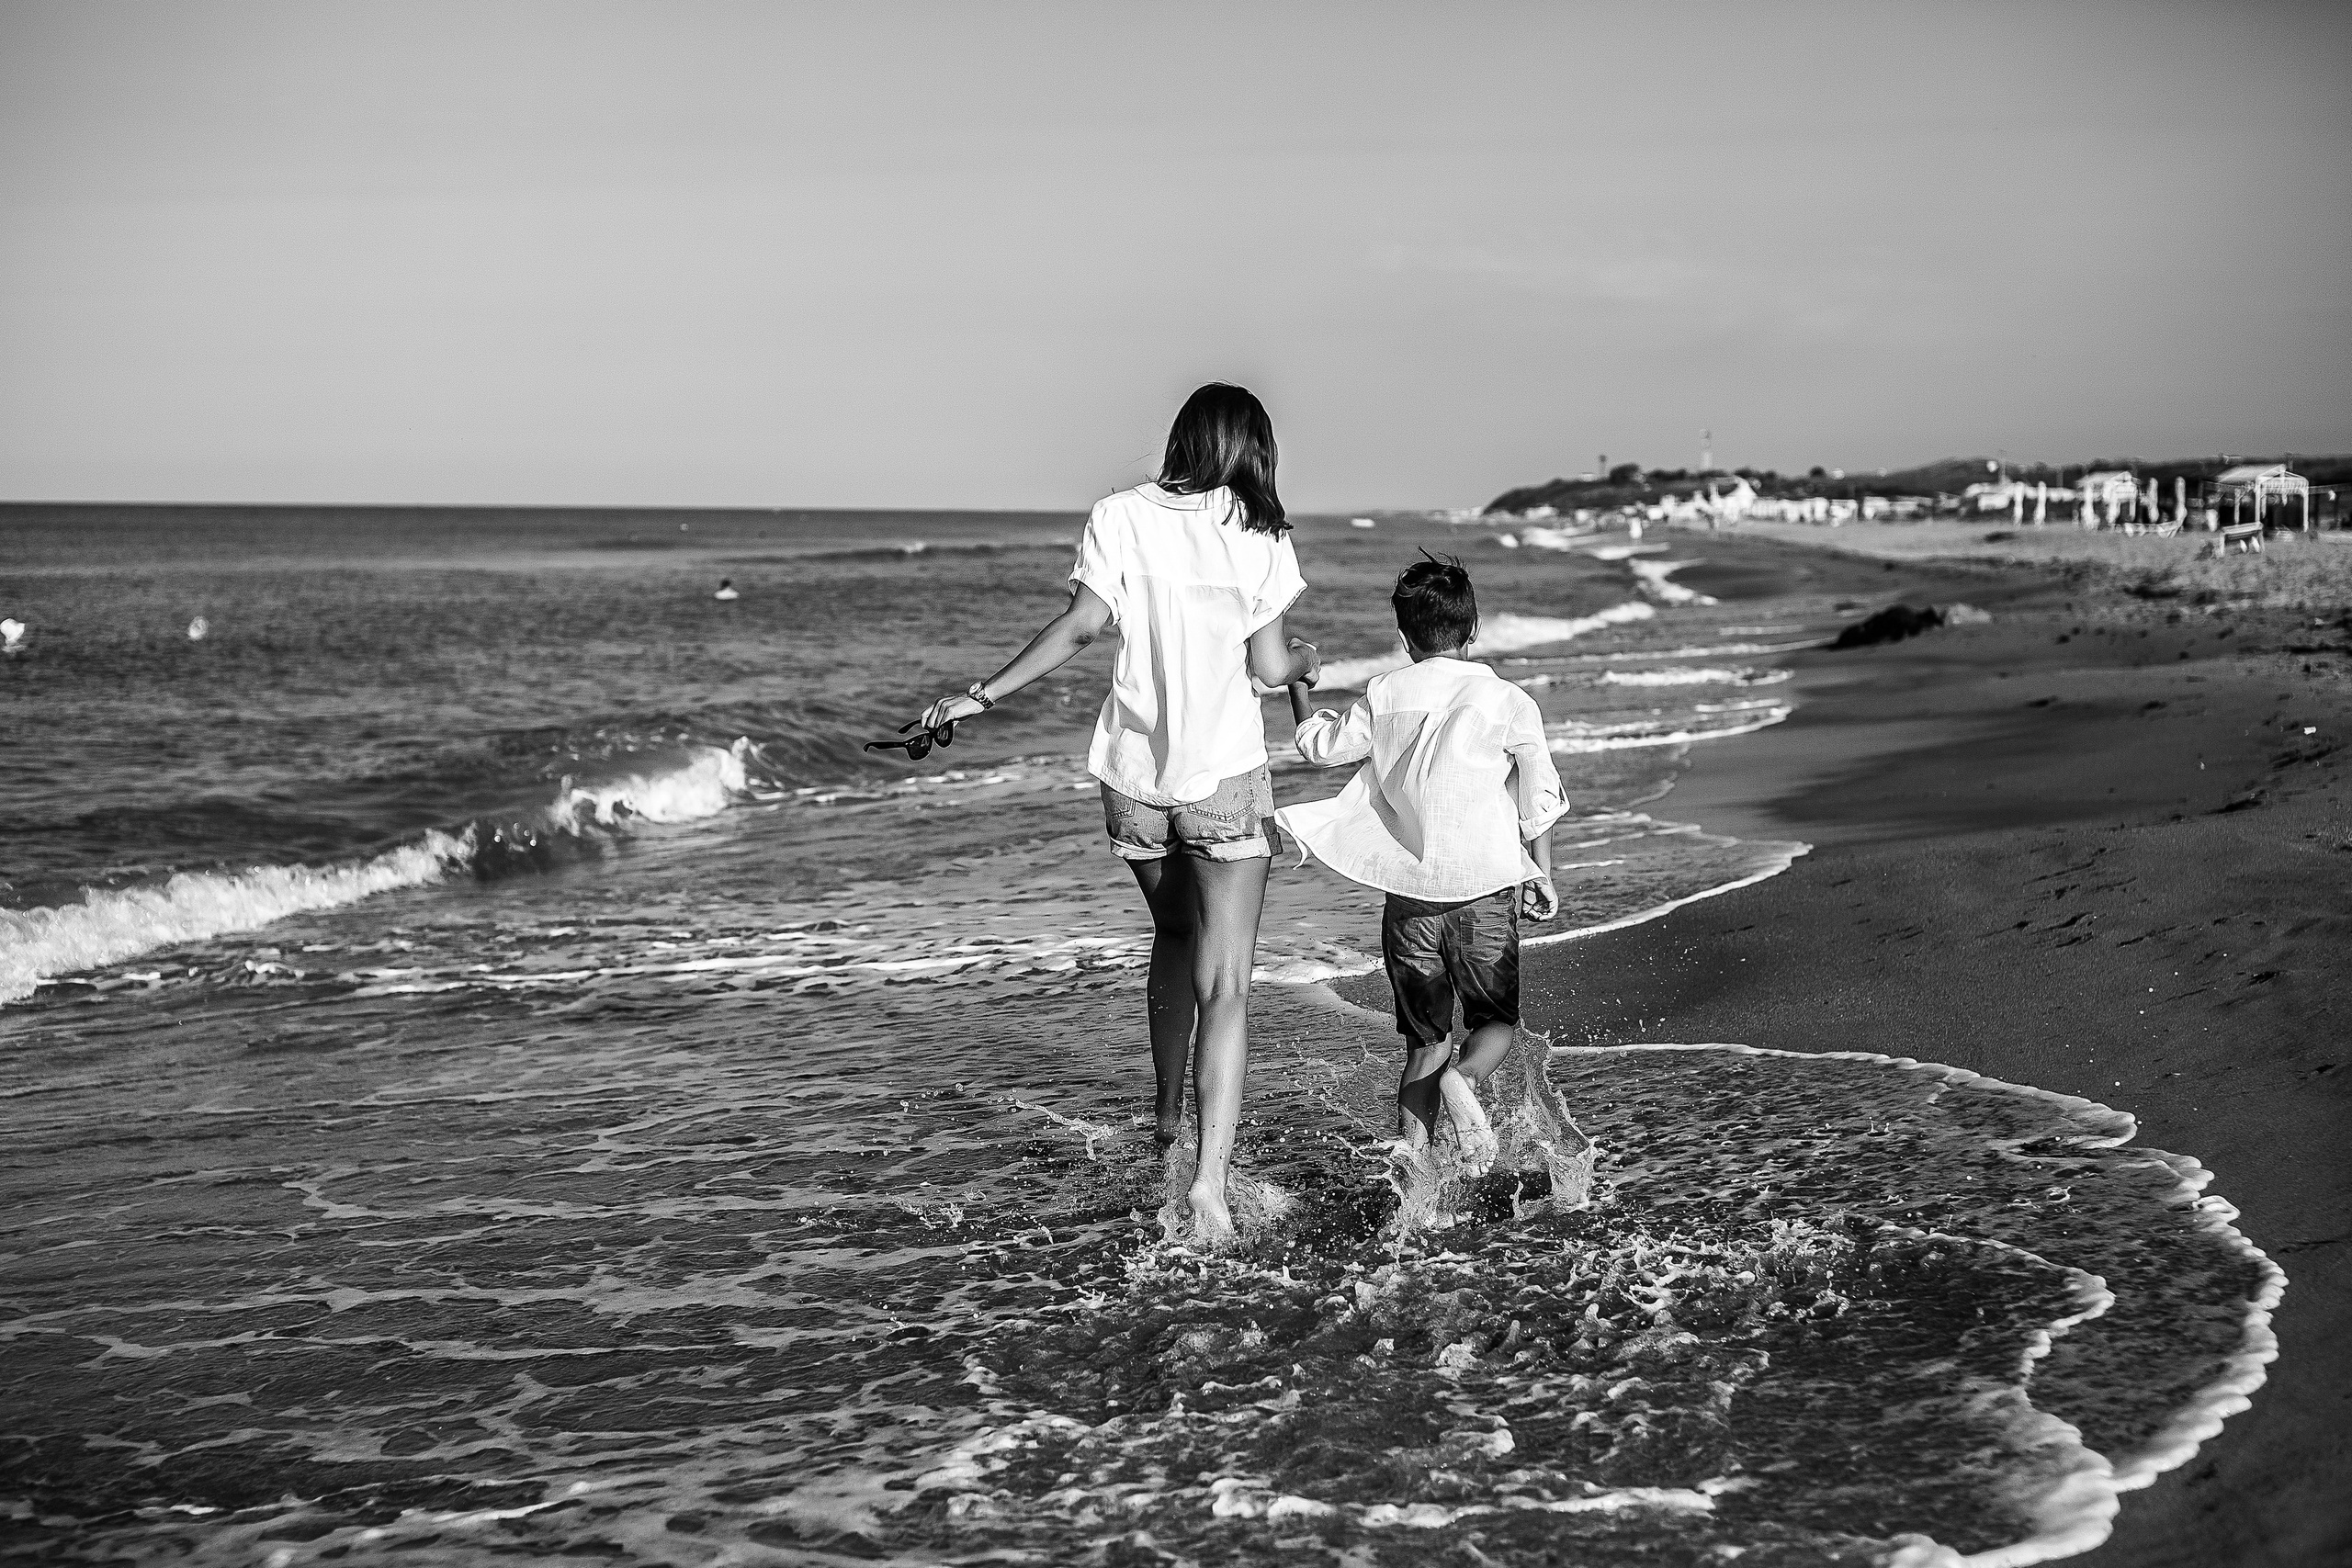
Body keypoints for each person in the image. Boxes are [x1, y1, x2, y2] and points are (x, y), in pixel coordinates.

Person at [913, 383, 1317, 1242]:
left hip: (1134, 779)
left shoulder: (1118, 515)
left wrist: (979, 696)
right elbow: (1273, 664)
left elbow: (1080, 627)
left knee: (1173, 940)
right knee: (1229, 984)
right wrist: (1304, 662)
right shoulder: (1260, 533)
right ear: (1252, 450)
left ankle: (1167, 1122)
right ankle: (1208, 1180)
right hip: (1224, 778)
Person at [1275, 558, 1564, 1168]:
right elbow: (1538, 796)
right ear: (1475, 627)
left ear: (1403, 638)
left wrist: (1296, 682)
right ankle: (1471, 1081)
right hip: (1484, 890)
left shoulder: (1385, 693)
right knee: (1494, 1022)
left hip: (1409, 899)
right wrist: (1539, 870)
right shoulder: (1508, 699)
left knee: (1424, 1040)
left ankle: (1415, 1171)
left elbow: (1320, 748)